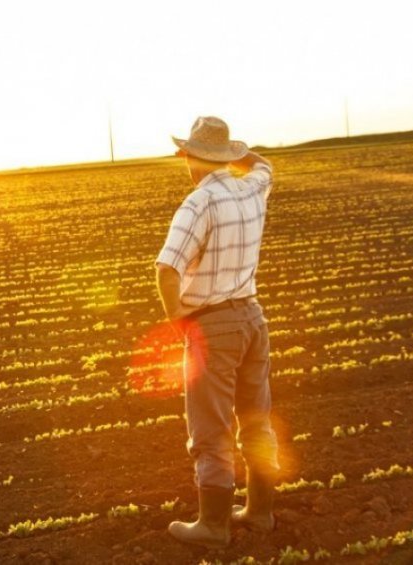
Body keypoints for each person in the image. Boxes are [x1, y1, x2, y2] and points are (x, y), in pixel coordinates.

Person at [154, 116, 280, 548]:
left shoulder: (199, 202)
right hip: (252, 320)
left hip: (214, 326)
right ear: (225, 155)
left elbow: (167, 269)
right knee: (256, 421)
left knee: (210, 428)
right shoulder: (252, 186)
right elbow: (265, 165)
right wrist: (236, 153)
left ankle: (213, 525)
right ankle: (260, 513)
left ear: (188, 156)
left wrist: (179, 321)